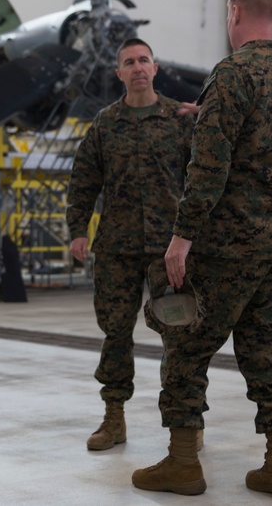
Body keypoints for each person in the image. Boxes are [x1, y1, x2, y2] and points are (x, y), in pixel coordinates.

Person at [132, 0, 272, 500]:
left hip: (230, 244)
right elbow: (271, 146)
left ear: (234, 12)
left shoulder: (231, 75)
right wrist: (205, 115)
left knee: (186, 344)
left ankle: (183, 463)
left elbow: (210, 166)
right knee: (266, 351)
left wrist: (181, 238)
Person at [65, 37, 194, 451]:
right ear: (119, 73)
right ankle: (113, 418)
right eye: (129, 62)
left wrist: (195, 238)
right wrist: (78, 229)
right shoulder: (105, 124)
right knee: (115, 333)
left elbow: (204, 179)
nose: (138, 67)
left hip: (167, 249)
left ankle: (185, 423)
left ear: (155, 69)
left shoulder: (180, 118)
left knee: (177, 334)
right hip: (117, 248)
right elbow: (83, 180)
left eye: (144, 60)